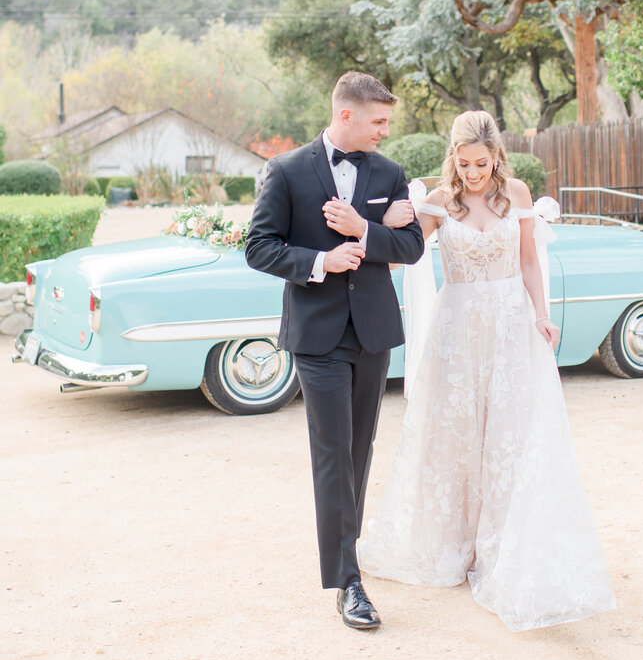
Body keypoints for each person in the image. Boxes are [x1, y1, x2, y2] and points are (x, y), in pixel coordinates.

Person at [358, 110, 616, 631]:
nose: (473, 173)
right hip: (457, 329)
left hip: (510, 325)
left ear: (497, 156)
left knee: (508, 435)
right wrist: (377, 227)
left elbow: (527, 261)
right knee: (454, 434)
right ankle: (456, 541)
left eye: (482, 162)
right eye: (464, 162)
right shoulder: (436, 200)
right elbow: (402, 255)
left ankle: (502, 543)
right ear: (453, 156)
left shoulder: (516, 194)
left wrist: (542, 315)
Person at [245, 72, 424, 630]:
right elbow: (259, 247)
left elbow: (413, 247)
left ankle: (348, 553)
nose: (385, 131)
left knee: (358, 451)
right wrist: (322, 262)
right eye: (378, 121)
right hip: (317, 336)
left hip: (372, 332)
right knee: (332, 454)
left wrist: (365, 230)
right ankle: (348, 581)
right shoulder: (287, 170)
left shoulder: (388, 174)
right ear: (346, 114)